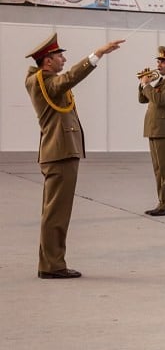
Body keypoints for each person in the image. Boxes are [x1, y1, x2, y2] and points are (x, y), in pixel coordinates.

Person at [25, 33, 125, 279]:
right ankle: (52, 266)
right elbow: (68, 80)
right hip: (59, 153)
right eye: (59, 56)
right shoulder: (42, 81)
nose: (63, 59)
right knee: (56, 212)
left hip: (61, 152)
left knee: (56, 211)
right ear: (47, 61)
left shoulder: (46, 80)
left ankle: (50, 262)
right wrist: (97, 54)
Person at [138, 46, 165, 216]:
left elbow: (159, 100)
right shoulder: (161, 82)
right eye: (158, 61)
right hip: (154, 128)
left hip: (164, 129)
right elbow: (143, 99)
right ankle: (162, 202)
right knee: (158, 169)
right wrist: (142, 83)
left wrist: (147, 85)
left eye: (163, 62)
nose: (159, 64)